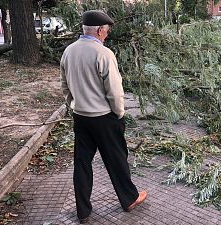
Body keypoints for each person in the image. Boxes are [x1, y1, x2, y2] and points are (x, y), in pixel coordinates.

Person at [60, 10, 147, 224]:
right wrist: (119, 113)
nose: (106, 35)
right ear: (99, 30)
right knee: (117, 159)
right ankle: (129, 199)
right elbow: (114, 91)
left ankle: (82, 210)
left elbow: (64, 85)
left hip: (81, 117)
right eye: (106, 32)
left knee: (82, 163)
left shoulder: (69, 51)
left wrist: (73, 105)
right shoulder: (104, 54)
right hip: (104, 117)